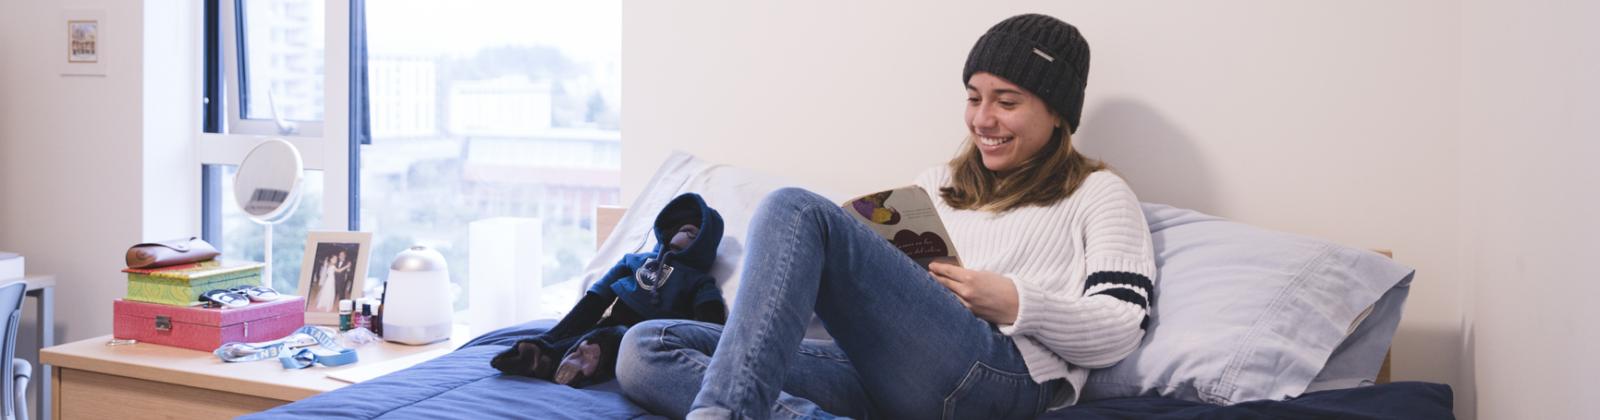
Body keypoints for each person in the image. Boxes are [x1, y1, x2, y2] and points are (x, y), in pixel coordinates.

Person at [614, 13, 1157, 419]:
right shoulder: (933, 186)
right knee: (645, 346)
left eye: (1006, 102)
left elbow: (1120, 331)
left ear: (1059, 113)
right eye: (973, 98)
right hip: (885, 375)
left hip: (998, 374)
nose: (983, 119)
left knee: (795, 207)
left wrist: (1014, 301)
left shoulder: (1099, 194)